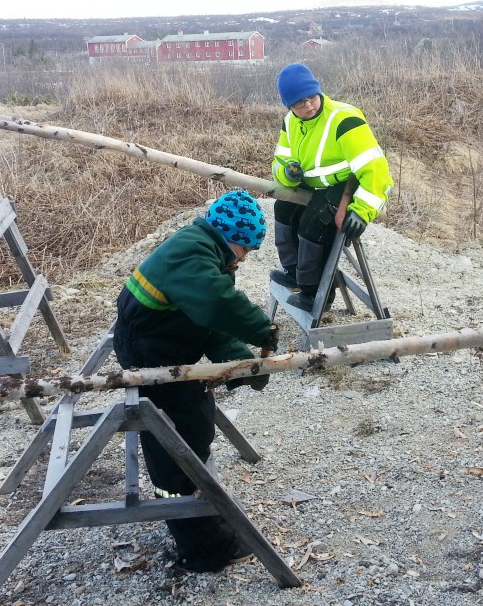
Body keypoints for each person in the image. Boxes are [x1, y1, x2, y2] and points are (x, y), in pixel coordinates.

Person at [113, 189, 279, 572]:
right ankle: (202, 543)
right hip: (148, 353)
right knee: (180, 432)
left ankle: (195, 485)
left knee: (194, 416)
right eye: (246, 249)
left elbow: (209, 323)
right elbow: (218, 303)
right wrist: (260, 328)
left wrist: (241, 364)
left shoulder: (205, 255)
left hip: (163, 342)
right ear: (230, 237)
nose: (244, 259)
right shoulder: (193, 254)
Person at [270, 62, 394, 311]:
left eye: (311, 98)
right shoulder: (290, 122)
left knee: (312, 224)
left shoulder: (344, 119)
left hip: (346, 185)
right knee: (283, 209)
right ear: (289, 106)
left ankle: (316, 293)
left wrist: (362, 211)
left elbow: (377, 171)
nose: (308, 106)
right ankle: (293, 273)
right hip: (314, 186)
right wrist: (287, 173)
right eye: (299, 104)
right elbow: (279, 160)